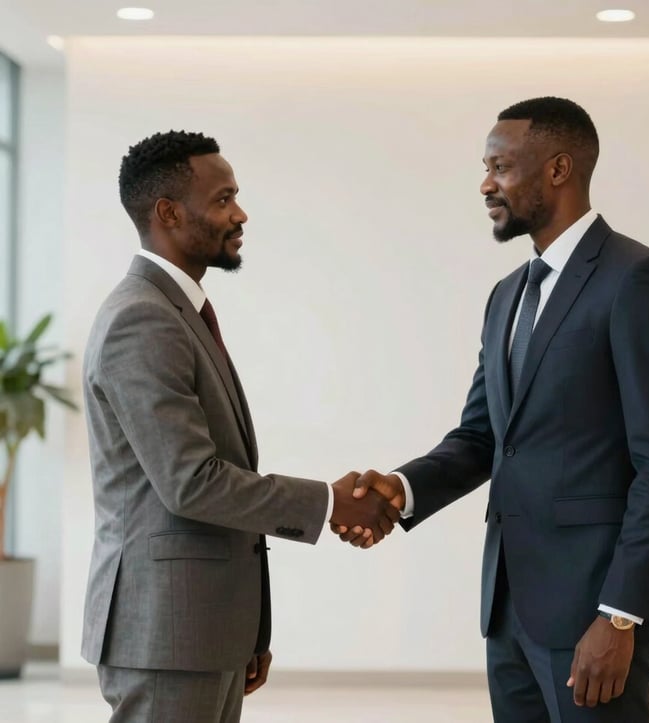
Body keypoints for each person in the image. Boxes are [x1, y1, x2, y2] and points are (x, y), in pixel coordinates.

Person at [334, 97, 649, 722]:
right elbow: (482, 438)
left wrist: (620, 613)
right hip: (508, 610)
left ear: (558, 169)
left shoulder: (637, 280)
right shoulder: (508, 295)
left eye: (500, 167)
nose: (485, 184)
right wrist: (398, 489)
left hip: (595, 611)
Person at [81, 130, 397, 723]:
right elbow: (192, 482)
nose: (240, 213)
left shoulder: (179, 312)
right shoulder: (142, 320)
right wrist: (330, 503)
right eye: (223, 199)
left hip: (200, 630)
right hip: (164, 635)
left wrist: (247, 627)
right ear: (168, 213)